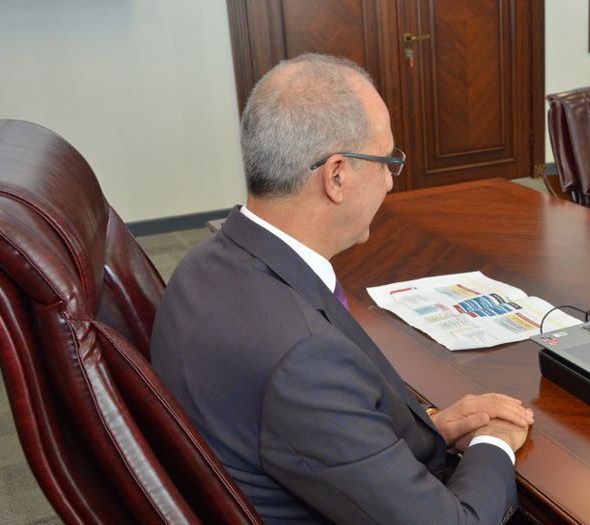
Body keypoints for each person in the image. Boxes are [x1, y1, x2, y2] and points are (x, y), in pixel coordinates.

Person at [150, 53, 533, 525]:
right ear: (337, 176)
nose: (391, 181)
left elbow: (311, 436)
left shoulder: (201, 265)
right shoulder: (305, 358)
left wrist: (428, 427)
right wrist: (492, 443)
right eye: (388, 161)